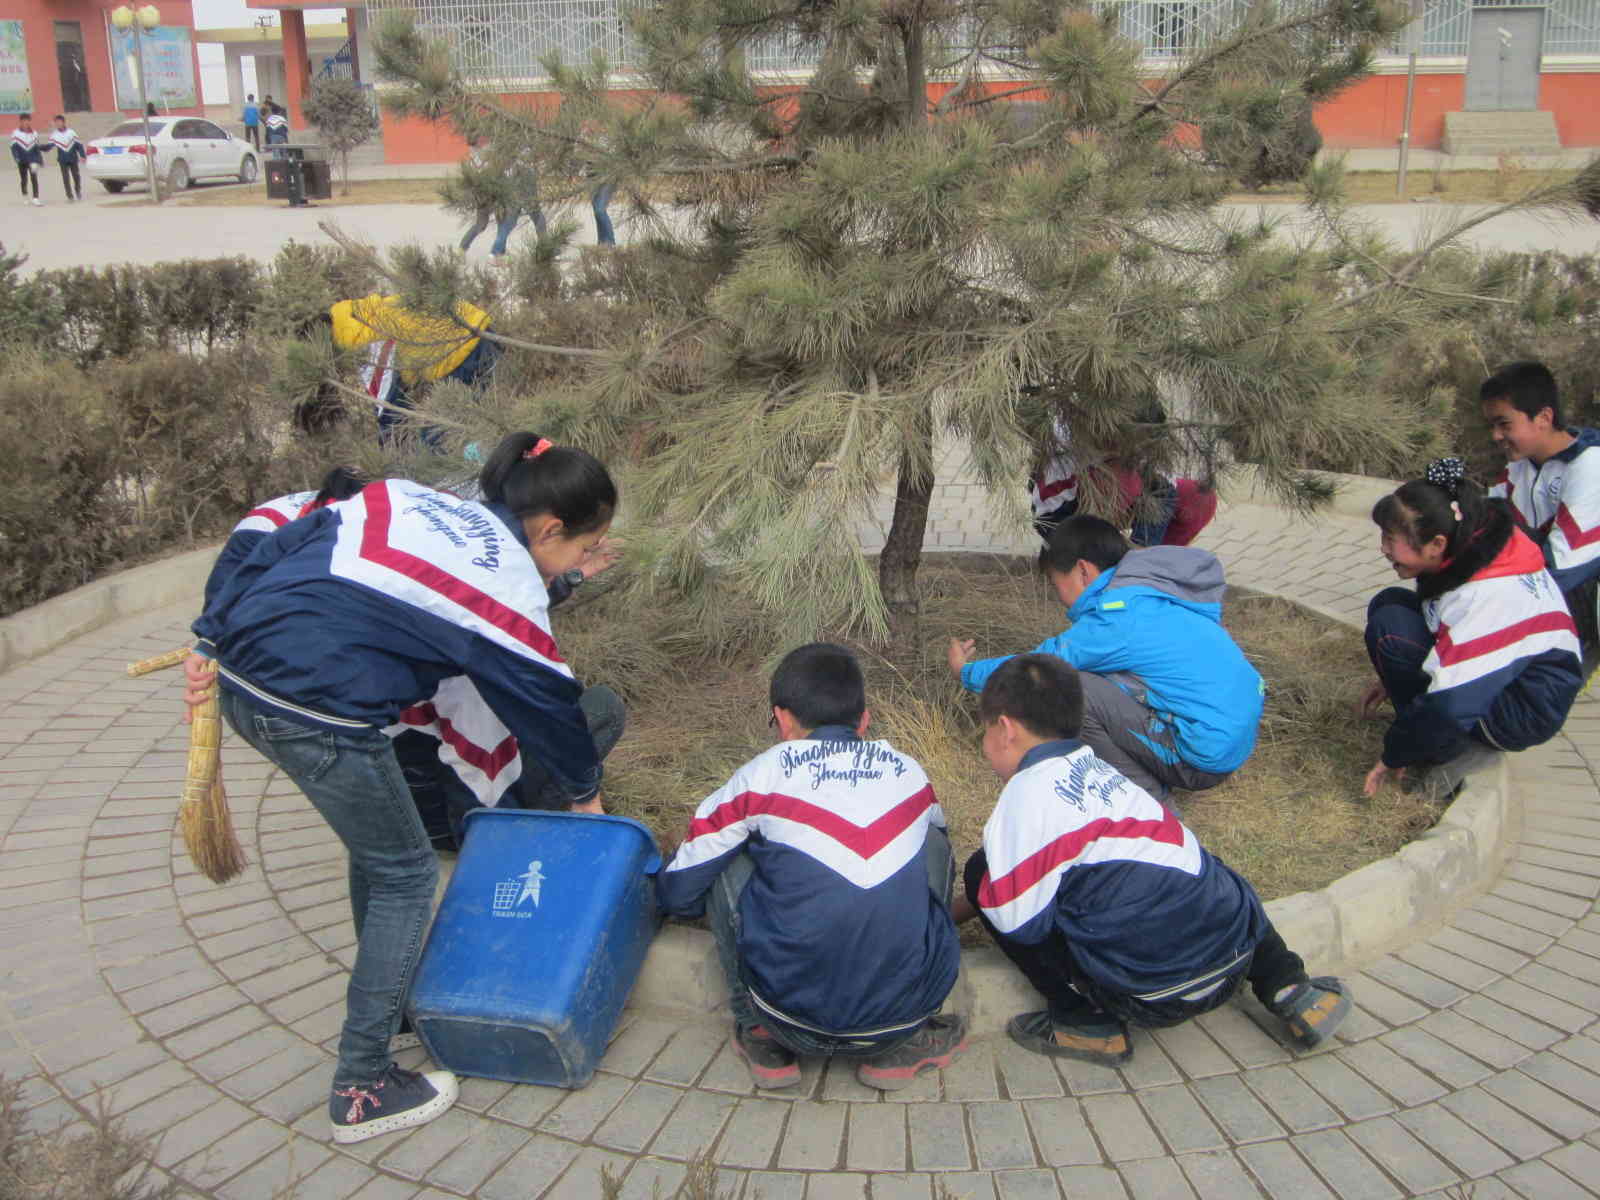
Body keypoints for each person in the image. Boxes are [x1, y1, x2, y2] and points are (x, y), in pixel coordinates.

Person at [182, 433, 618, 1143]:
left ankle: (397, 1006)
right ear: (549, 529)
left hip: (246, 678)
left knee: (380, 850)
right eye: (582, 548)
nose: (578, 562)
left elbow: (289, 536)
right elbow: (545, 701)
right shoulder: (506, 576)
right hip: (318, 711)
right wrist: (586, 794)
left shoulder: (413, 499)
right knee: (407, 876)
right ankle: (361, 1088)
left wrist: (209, 632)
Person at [953, 654, 1351, 1066]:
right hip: (1236, 955)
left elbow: (1018, 923)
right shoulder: (1108, 774)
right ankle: (1289, 986)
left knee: (983, 871)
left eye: (985, 730)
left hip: (1153, 997)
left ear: (1005, 729)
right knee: (1199, 865)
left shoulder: (1023, 800)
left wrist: (971, 899)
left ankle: (1087, 1023)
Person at [658, 643, 967, 1092]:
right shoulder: (910, 774)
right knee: (933, 842)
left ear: (782, 719)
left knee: (724, 855)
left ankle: (758, 1032)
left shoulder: (759, 776)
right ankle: (911, 1038)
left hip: (786, 1021)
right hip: (899, 1022)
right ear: (864, 720)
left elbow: (679, 891)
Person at [949, 515, 1263, 801]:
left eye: (1056, 583)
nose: (1059, 597)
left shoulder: (1118, 618)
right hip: (1231, 742)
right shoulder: (1153, 594)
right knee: (1098, 679)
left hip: (1201, 757)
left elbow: (1041, 667)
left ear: (1083, 571)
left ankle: (1149, 801)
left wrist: (967, 671)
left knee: (1073, 689)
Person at [1359, 457, 1581, 798]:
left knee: (1391, 631)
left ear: (1436, 544)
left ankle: (1441, 750)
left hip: (1521, 708)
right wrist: (1392, 679)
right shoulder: (1475, 544)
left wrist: (1395, 753)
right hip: (1514, 680)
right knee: (1389, 603)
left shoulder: (1487, 596)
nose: (1383, 549)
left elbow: (1450, 703)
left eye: (1390, 539)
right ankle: (1424, 730)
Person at [1482, 361, 1600, 660]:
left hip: (1577, 607)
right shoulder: (1519, 466)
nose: (1496, 435)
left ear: (1544, 417)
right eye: (1492, 426)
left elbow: (1560, 569)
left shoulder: (1590, 465)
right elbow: (1486, 526)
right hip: (1543, 597)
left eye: (1504, 424)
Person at [460, 137, 549, 261]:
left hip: (482, 194)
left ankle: (463, 248)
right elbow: (500, 172)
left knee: (482, 224)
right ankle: (496, 253)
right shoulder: (491, 153)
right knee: (505, 221)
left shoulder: (472, 158)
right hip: (495, 192)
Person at [48, 116, 84, 203]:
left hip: (73, 158)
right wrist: (38, 147)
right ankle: (69, 195)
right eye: (56, 122)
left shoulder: (71, 132)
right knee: (65, 178)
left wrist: (82, 155)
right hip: (62, 159)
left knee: (76, 176)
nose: (58, 124)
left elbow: (78, 145)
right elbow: (49, 146)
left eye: (60, 122)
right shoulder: (54, 135)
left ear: (64, 122)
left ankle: (78, 190)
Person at [10, 113, 43, 206]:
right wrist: (16, 157)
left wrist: (39, 159)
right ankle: (25, 195)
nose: (26, 122)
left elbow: (37, 148)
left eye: (27, 120)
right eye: (24, 121)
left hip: (32, 160)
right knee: (24, 179)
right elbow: (13, 147)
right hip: (21, 160)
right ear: (20, 122)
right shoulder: (15, 133)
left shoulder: (34, 133)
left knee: (34, 178)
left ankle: (36, 198)